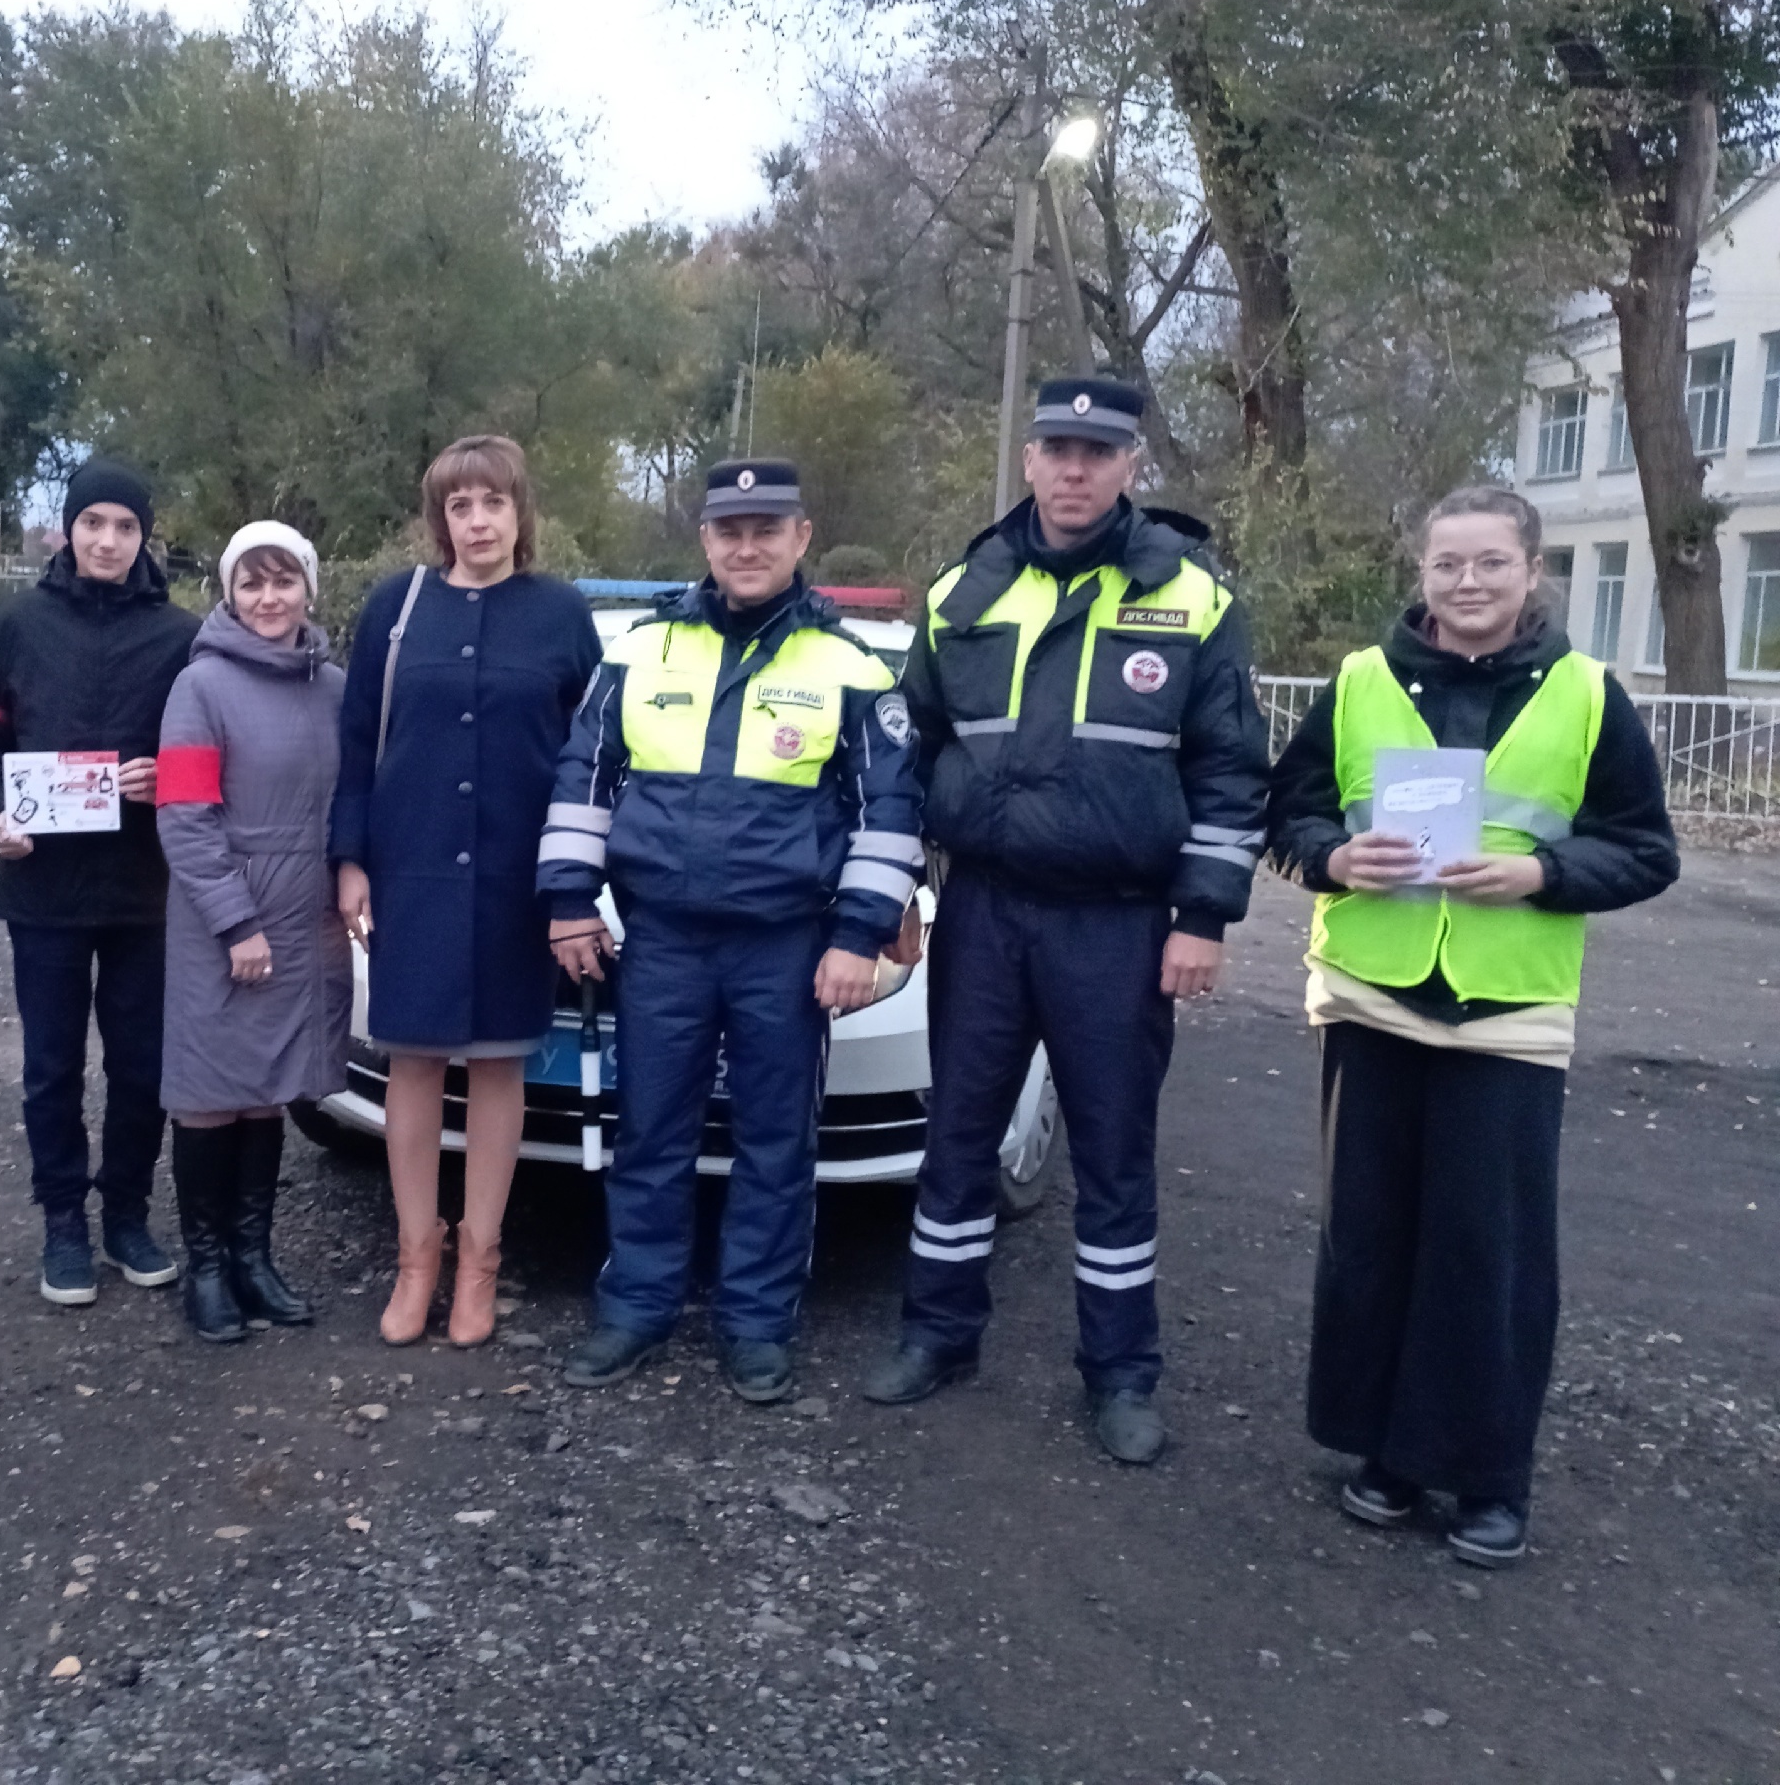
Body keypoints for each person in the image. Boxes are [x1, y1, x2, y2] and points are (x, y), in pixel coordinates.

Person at [861, 378, 1267, 1467]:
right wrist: (895, 888)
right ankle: (937, 1334)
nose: (1075, 468)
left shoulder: (1191, 598)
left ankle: (1121, 1373)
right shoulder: (965, 586)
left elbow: (1231, 773)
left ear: (1131, 463)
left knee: (1113, 1153)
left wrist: (1203, 916)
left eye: (1099, 450)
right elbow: (910, 745)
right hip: (987, 909)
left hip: (1121, 924)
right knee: (956, 1137)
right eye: (1057, 448)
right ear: (1030, 459)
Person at [1268, 485, 1676, 1565]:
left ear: (1529, 572)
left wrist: (1544, 872)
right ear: (1422, 572)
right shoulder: (1359, 681)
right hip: (1371, 994)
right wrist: (1332, 856)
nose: (1467, 582)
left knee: (1485, 1256)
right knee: (1371, 1239)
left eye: (1490, 563)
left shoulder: (1589, 696)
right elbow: (1291, 809)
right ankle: (1388, 1453)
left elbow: (1645, 849)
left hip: (1505, 1018)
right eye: (1448, 563)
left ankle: (1490, 1476)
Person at [538, 459, 921, 1404]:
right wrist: (569, 900)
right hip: (662, 938)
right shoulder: (638, 649)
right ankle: (636, 1304)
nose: (746, 546)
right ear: (704, 541)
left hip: (787, 946)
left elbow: (889, 812)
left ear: (801, 537)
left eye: (766, 527)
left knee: (776, 1143)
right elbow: (583, 778)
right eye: (728, 530)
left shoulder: (852, 666)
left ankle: (756, 1323)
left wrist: (861, 933)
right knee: (651, 1134)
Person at [331, 437, 603, 1347]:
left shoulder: (561, 615)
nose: (478, 521)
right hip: (410, 870)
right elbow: (359, 741)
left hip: (515, 878)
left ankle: (481, 1260)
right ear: (439, 518)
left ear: (521, 512)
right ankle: (418, 1258)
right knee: (412, 1061)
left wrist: (580, 880)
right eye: (460, 506)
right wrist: (351, 858)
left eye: (493, 503)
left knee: (498, 1064)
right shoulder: (394, 610)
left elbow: (591, 760)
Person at [0, 458, 198, 1307]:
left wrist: (166, 778)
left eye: (125, 527)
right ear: (67, 529)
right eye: (92, 523)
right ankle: (62, 1219)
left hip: (146, 889)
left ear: (143, 538)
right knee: (50, 1065)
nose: (107, 539)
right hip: (45, 888)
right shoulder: (16, 622)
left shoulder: (181, 635)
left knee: (141, 1066)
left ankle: (127, 1212)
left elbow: (209, 750)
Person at [155, 522, 351, 1343]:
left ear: (309, 587)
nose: (268, 598)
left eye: (284, 581)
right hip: (223, 918)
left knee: (270, 1088)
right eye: (251, 584)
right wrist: (235, 918)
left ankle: (253, 1256)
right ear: (229, 595)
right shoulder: (199, 688)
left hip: (308, 916)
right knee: (209, 1093)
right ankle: (206, 1267)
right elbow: (185, 814)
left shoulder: (335, 686)